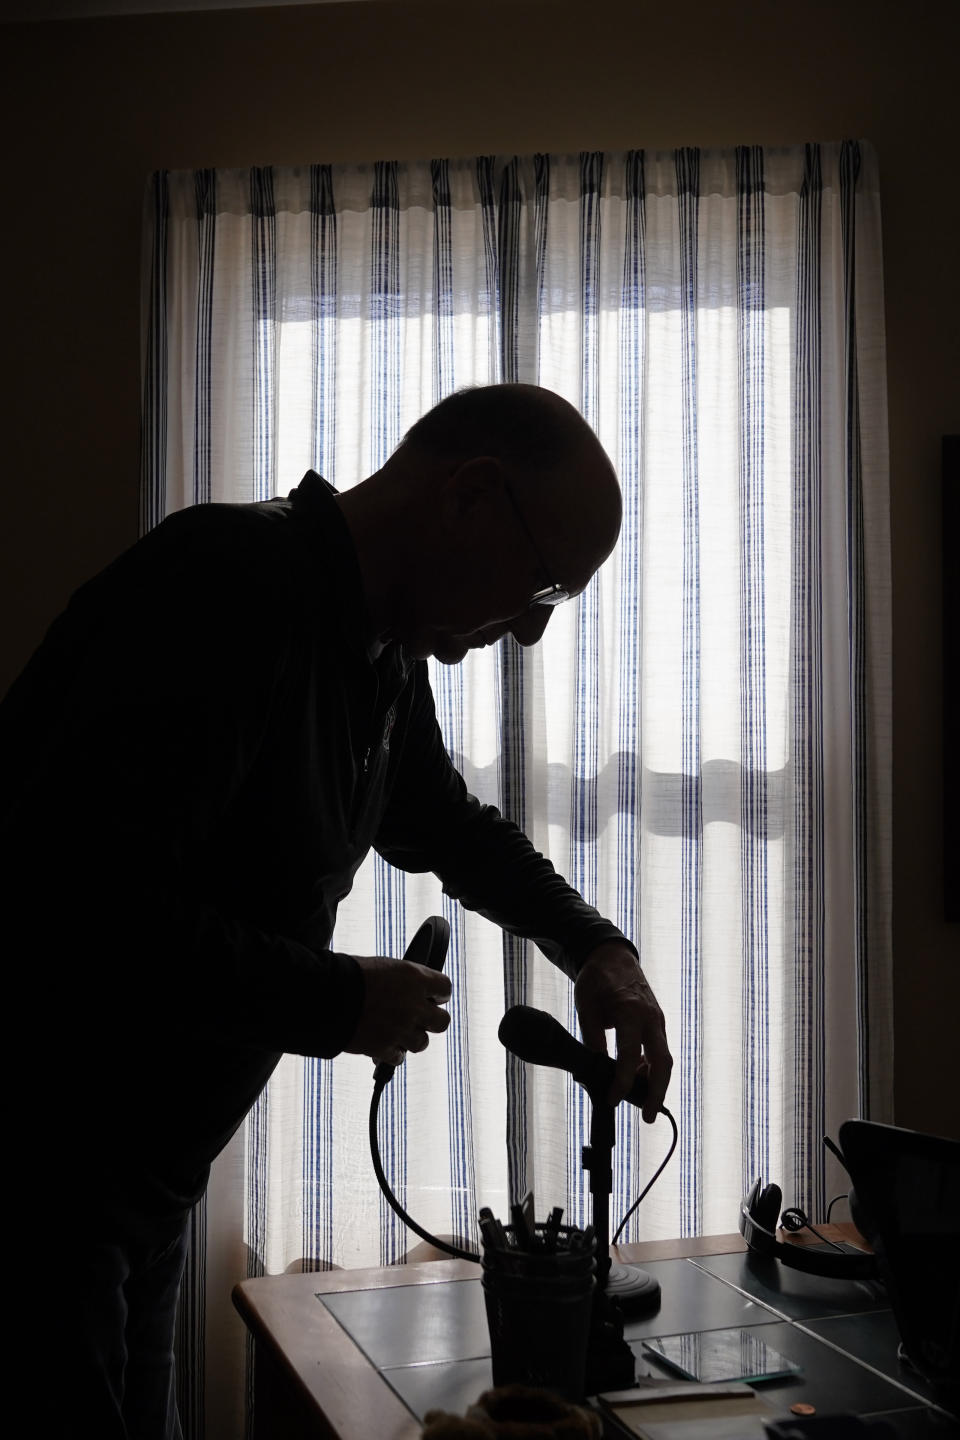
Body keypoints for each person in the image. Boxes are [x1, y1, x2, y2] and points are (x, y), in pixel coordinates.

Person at [3, 383, 672, 1438]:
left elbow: (451, 830)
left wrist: (598, 946)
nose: (534, 635)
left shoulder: (379, 652)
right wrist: (337, 1000)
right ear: (471, 496)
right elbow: (81, 908)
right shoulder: (224, 588)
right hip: (37, 1190)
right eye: (543, 586)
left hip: (144, 1190)